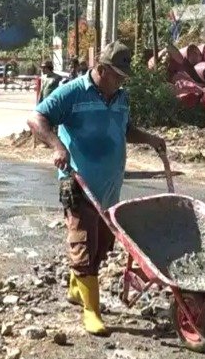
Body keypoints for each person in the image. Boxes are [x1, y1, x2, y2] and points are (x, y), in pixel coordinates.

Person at [28, 41, 166, 336]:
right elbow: (36, 118)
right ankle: (92, 311)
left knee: (103, 245)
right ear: (100, 69)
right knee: (83, 243)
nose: (121, 83)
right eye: (117, 76)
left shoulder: (121, 97)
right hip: (78, 181)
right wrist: (57, 145)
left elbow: (124, 129)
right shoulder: (73, 92)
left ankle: (77, 287)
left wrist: (151, 139)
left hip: (108, 187)